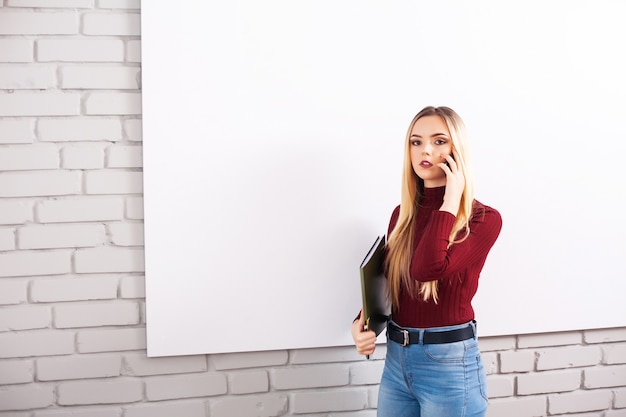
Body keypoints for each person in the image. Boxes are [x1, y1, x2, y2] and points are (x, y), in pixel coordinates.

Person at [351, 106, 502, 417]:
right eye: (416, 142)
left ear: (456, 151)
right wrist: (361, 323)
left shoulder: (484, 219)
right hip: (397, 361)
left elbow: (425, 270)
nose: (425, 150)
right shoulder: (402, 215)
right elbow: (392, 283)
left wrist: (449, 202)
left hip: (447, 365)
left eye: (439, 141)